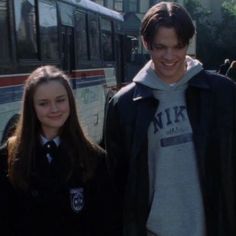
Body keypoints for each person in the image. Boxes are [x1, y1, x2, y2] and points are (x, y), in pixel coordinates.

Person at [105, 2, 236, 236]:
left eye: (178, 46)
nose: (169, 56)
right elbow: (117, 185)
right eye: (160, 47)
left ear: (188, 44)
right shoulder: (124, 105)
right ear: (146, 44)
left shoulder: (222, 94)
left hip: (214, 227)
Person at [0, 65, 119, 236]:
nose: (54, 109)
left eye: (60, 100)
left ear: (70, 101)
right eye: (44, 103)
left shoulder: (94, 158)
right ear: (31, 107)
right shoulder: (8, 157)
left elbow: (106, 222)